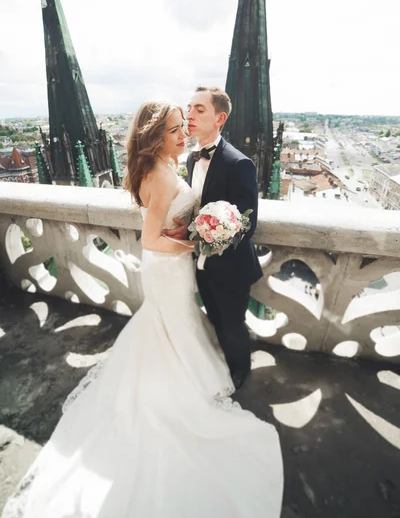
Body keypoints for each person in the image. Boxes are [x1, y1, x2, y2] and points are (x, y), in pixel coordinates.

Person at [2, 101, 283, 518]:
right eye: (174, 130)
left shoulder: (170, 166)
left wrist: (200, 230)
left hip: (174, 268)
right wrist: (199, 243)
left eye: (181, 127)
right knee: (169, 326)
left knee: (173, 326)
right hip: (167, 266)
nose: (182, 134)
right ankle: (171, 391)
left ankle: (177, 375)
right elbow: (151, 239)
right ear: (155, 137)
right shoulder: (160, 175)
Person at [164, 87, 262, 390]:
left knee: (233, 326)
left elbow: (247, 223)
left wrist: (211, 234)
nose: (189, 115)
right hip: (200, 264)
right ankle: (224, 365)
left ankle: (240, 373)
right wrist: (190, 231)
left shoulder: (239, 163)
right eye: (189, 107)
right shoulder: (193, 160)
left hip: (231, 268)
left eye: (199, 110)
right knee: (216, 321)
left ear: (219, 118)